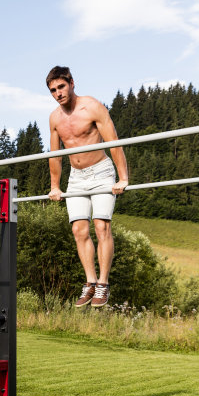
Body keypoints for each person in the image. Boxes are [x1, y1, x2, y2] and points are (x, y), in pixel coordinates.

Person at [46, 66, 129, 308]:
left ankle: (103, 283)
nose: (58, 93)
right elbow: (55, 155)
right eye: (53, 90)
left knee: (101, 226)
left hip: (101, 172)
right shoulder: (54, 118)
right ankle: (90, 282)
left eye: (61, 87)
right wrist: (54, 186)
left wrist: (123, 178)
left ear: (72, 83)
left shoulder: (92, 107)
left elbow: (114, 143)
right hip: (76, 177)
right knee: (79, 230)